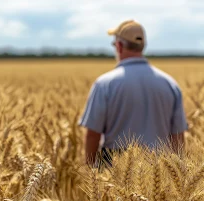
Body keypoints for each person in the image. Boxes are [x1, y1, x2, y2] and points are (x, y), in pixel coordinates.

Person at [78, 19, 189, 167]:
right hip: (159, 167)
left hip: (114, 166)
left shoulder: (104, 84)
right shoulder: (169, 84)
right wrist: (178, 174)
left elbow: (93, 134)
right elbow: (177, 136)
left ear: (119, 46)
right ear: (142, 46)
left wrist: (90, 170)